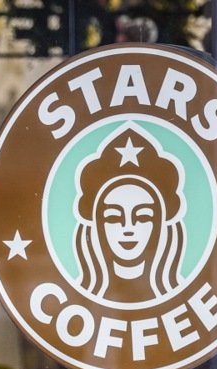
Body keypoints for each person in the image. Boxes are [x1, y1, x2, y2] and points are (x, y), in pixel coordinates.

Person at [73, 124, 187, 303]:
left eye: (143, 217)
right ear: (96, 224)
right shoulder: (81, 305)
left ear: (160, 223)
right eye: (113, 217)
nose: (128, 228)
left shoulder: (181, 302)